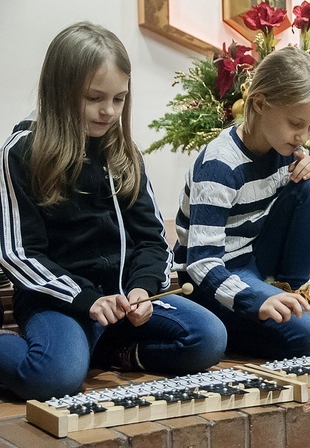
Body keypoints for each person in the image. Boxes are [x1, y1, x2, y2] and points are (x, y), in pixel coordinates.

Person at [0, 22, 227, 401]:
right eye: (94, 98)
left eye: (119, 99)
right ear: (60, 92)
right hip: (62, 302)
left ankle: (103, 351)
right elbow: (18, 254)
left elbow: (153, 240)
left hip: (123, 304)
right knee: (53, 378)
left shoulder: (125, 154)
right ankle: (74, 351)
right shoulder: (21, 152)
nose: (108, 112)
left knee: (209, 337)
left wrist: (142, 289)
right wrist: (88, 301)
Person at [174, 46, 310, 360]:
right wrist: (252, 299)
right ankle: (232, 322)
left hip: (252, 260)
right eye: (297, 124)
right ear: (260, 104)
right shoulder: (220, 165)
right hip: (211, 278)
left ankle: (293, 291)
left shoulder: (285, 149)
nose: (304, 137)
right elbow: (202, 262)